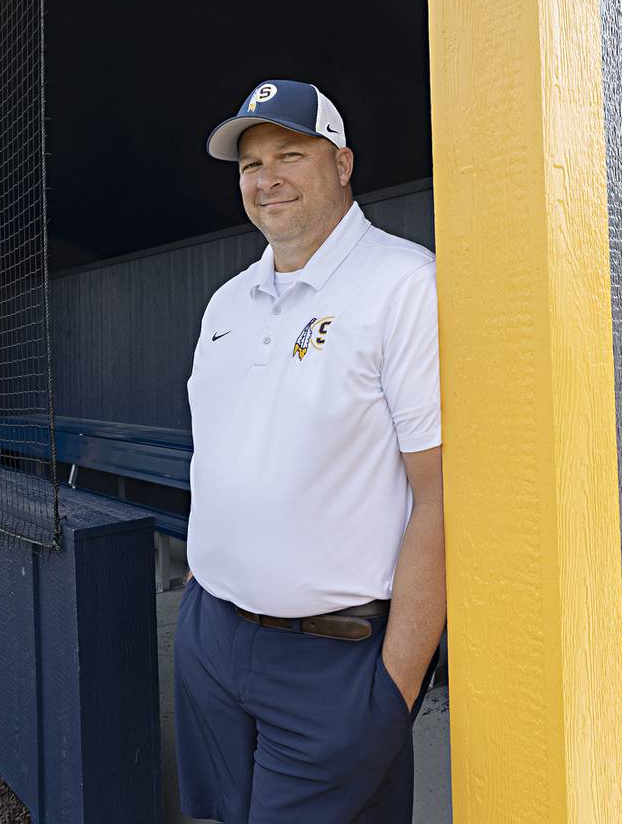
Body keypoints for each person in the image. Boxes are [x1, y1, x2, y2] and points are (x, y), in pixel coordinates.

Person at [174, 79, 445, 823]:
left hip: (337, 660)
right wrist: (206, 593)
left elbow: (443, 495)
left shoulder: (404, 285)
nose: (267, 180)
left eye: (290, 154)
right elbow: (219, 454)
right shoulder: (227, 302)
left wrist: (396, 684)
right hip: (213, 639)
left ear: (343, 163)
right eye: (249, 165)